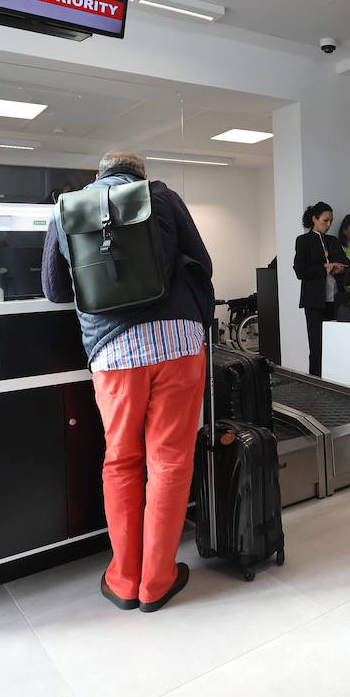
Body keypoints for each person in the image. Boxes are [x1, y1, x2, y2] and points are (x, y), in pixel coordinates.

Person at [42, 151, 213, 612]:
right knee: (171, 462)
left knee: (120, 461)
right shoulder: (163, 197)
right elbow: (203, 262)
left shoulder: (67, 208)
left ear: (98, 177)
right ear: (141, 177)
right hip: (178, 343)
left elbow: (55, 289)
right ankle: (157, 581)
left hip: (113, 354)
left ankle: (123, 580)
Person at [292, 202, 349, 376]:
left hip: (336, 300)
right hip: (314, 301)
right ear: (314, 219)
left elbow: (344, 263)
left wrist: (340, 268)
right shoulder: (303, 241)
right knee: (316, 346)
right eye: (325, 221)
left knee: (337, 346)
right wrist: (324, 268)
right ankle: (316, 383)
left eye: (331, 221)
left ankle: (337, 381)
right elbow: (300, 271)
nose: (329, 225)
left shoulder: (333, 241)